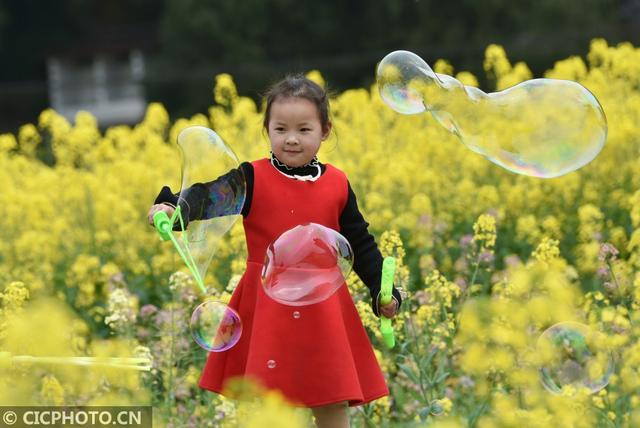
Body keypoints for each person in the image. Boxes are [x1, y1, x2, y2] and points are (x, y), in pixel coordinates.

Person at [148, 74, 402, 428]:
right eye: (280, 129)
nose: (292, 139)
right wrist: (170, 208)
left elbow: (359, 243)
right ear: (267, 129)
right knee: (266, 406)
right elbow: (205, 198)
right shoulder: (251, 178)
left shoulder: (338, 183)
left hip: (324, 307)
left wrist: (382, 291)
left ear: (325, 131)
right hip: (266, 307)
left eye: (304, 129)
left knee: (330, 398)